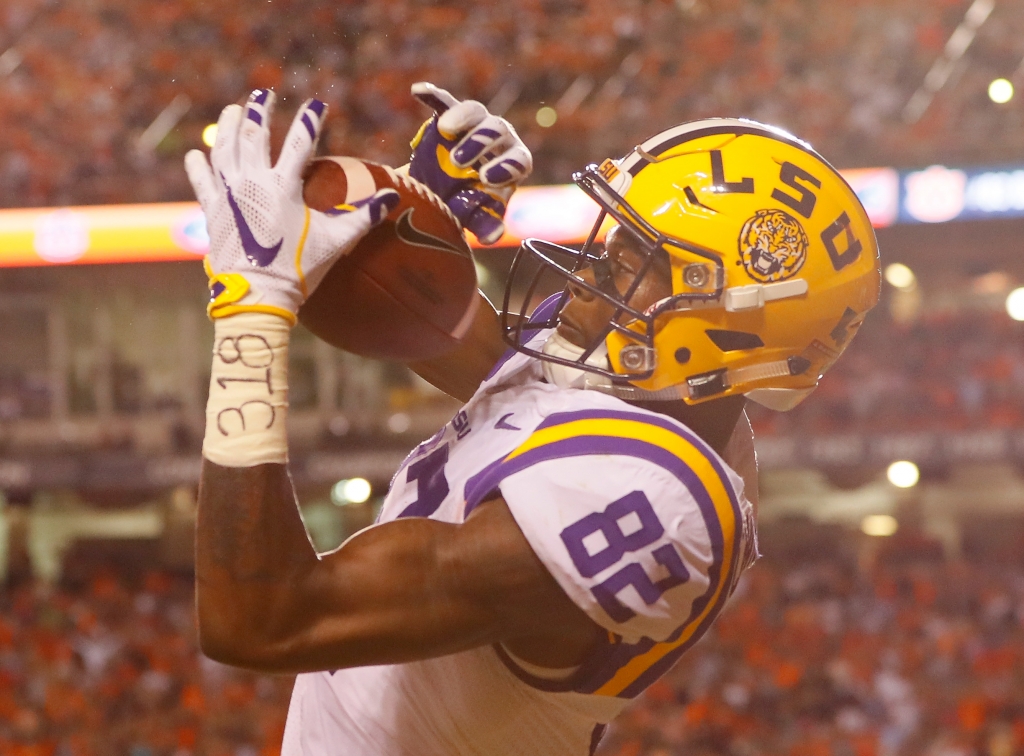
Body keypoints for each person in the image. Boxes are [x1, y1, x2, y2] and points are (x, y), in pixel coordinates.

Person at [184, 84, 880, 756]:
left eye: (641, 263)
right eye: (616, 247)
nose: (595, 277)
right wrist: (410, 216)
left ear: (731, 325)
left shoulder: (663, 498)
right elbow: (470, 359)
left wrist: (251, 308)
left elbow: (261, 618)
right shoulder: (634, 369)